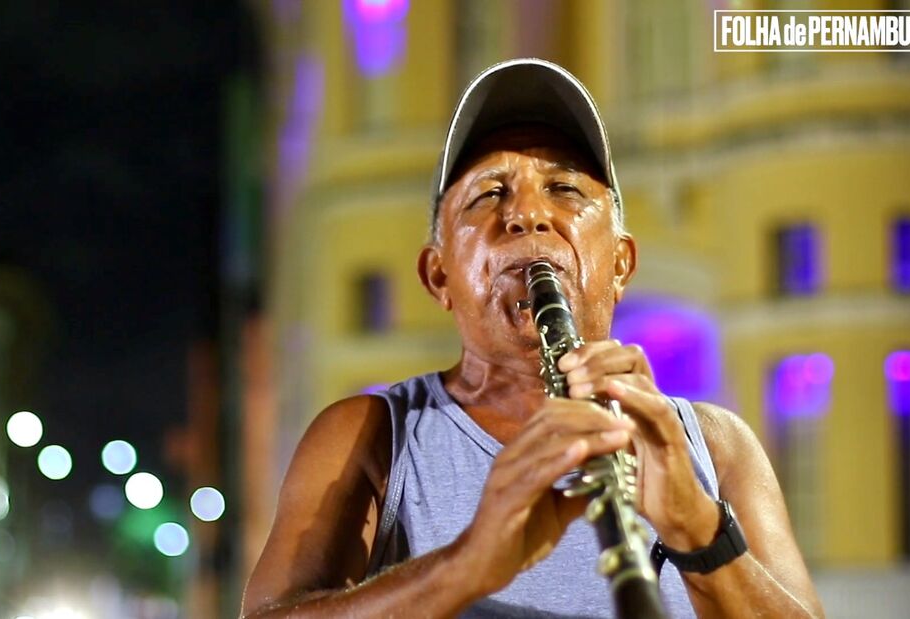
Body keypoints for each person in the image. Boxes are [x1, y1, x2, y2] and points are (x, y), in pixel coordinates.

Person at [241, 58, 823, 618]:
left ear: (621, 264)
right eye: (489, 194)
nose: (527, 216)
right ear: (438, 276)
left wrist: (699, 530)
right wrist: (465, 565)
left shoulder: (718, 447)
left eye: (565, 189)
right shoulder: (366, 436)